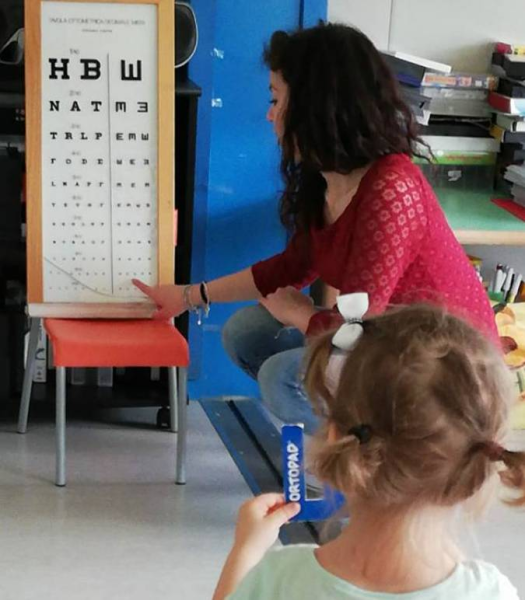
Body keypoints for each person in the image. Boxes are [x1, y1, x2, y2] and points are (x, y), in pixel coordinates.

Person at [133, 23, 497, 434]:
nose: (270, 114)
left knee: (283, 376)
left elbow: (357, 329)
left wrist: (301, 312)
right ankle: (353, 443)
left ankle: (364, 466)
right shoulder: (328, 178)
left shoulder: (392, 188)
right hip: (390, 344)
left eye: (276, 98)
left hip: (449, 374)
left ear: (317, 105)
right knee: (248, 333)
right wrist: (188, 296)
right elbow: (289, 268)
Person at [212, 304, 523, 600]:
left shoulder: (278, 580)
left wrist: (246, 551)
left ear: (336, 438)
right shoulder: (493, 593)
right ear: (477, 465)